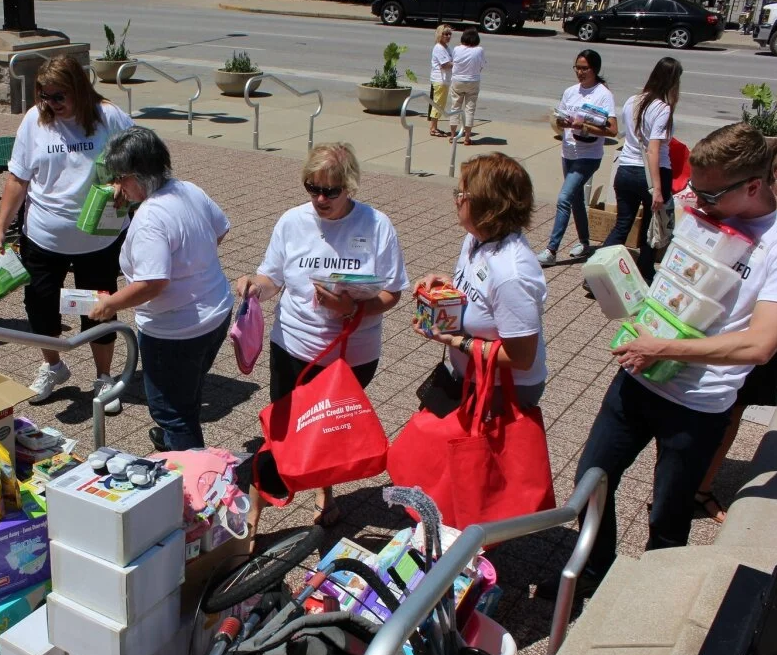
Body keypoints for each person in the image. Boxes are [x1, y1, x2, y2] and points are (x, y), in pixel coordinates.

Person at [551, 123, 777, 600]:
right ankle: (595, 575)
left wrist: (663, 348)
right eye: (693, 187)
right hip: (638, 377)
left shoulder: (775, 245)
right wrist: (624, 291)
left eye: (709, 194)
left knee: (667, 521)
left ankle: (642, 603)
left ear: (753, 187)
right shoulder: (702, 206)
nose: (696, 201)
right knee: (592, 482)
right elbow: (674, 287)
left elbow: (759, 346)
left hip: (698, 405)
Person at [235, 143, 408, 526]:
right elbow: (273, 278)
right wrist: (254, 285)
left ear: (351, 186)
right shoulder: (292, 221)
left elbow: (392, 292)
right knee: (280, 435)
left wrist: (352, 309)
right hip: (293, 346)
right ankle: (252, 520)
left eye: (330, 190)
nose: (319, 198)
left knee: (325, 434)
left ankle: (324, 495)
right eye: (311, 187)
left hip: (351, 356)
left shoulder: (376, 225)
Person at [0, 55, 134, 409]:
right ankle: (53, 367)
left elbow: (141, 157)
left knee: (99, 307)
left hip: (97, 236)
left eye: (58, 97)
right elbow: (18, 178)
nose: (49, 104)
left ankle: (103, 378)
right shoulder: (35, 121)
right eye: (44, 96)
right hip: (43, 235)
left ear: (79, 91)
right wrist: (0, 227)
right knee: (39, 305)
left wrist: (122, 183)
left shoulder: (109, 117)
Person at [88, 127, 232, 452]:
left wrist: (110, 304)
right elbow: (220, 229)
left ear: (137, 175)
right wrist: (191, 262)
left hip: (176, 330)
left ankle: (194, 482)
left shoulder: (151, 218)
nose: (116, 185)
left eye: (120, 177)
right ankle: (173, 441)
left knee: (171, 410)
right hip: (215, 310)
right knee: (187, 391)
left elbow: (153, 283)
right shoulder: (188, 190)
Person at [415, 152, 547, 410]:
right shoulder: (476, 239)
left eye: (462, 194)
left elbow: (521, 357)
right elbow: (482, 294)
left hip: (504, 391)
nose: (456, 200)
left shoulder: (512, 273)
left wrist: (456, 342)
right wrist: (448, 288)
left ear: (488, 204)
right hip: (470, 377)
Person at [691, 144, 777, 524]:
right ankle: (686, 482)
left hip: (769, 330)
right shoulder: (752, 206)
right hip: (741, 321)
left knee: (736, 409)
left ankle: (700, 489)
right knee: (720, 405)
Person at [602, 57, 682, 284]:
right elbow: (653, 150)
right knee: (651, 226)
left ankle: (597, 272)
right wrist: (657, 188)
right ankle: (645, 271)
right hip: (651, 175)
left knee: (623, 224)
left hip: (625, 169)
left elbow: (628, 136)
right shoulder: (663, 109)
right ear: (673, 81)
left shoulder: (633, 101)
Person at [537, 50, 617, 266]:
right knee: (575, 199)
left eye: (584, 68)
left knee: (564, 198)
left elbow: (612, 130)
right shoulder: (570, 92)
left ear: (595, 70)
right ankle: (585, 243)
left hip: (588, 155)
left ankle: (551, 251)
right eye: (577, 68)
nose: (580, 72)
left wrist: (586, 126)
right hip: (568, 151)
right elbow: (560, 118)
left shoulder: (603, 94)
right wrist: (561, 122)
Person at [447, 28, 485, 146]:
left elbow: (454, 62)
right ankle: (467, 137)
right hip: (473, 81)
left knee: (455, 107)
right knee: (470, 109)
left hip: (457, 80)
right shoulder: (479, 50)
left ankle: (453, 135)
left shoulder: (457, 49)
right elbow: (482, 66)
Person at [428, 24, 454, 139]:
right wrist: (458, 64)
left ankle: (435, 126)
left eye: (449, 34)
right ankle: (433, 128)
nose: (448, 36)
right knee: (438, 103)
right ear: (440, 35)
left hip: (446, 80)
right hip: (440, 79)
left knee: (440, 104)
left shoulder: (447, 48)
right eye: (445, 34)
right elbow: (445, 64)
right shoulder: (439, 48)